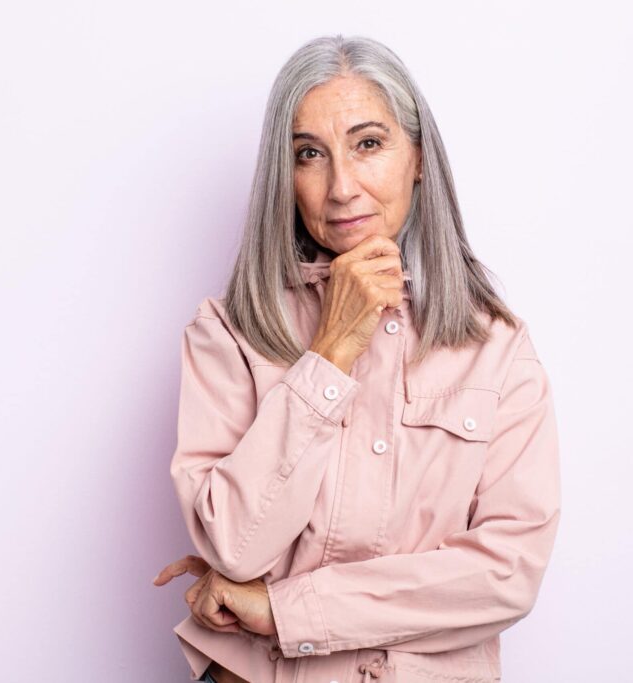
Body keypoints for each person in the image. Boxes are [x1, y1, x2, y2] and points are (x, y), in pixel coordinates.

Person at [152, 34, 562, 683]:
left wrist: (288, 608)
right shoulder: (228, 332)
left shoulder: (497, 348)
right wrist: (331, 353)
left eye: (368, 143)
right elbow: (235, 543)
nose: (341, 186)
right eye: (309, 154)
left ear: (418, 156)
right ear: (285, 177)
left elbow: (505, 574)